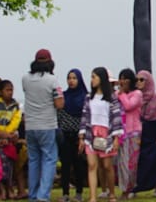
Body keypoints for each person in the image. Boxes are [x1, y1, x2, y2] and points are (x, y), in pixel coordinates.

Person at [23, 49, 65, 202]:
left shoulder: (25, 79)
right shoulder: (52, 80)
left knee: (34, 160)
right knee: (49, 159)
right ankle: (43, 196)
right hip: (47, 125)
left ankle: (32, 195)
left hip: (30, 126)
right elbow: (59, 104)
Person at [79, 68, 124, 202]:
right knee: (92, 165)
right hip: (91, 132)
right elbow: (84, 116)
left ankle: (111, 193)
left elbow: (116, 117)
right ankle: (93, 196)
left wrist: (116, 138)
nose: (91, 80)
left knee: (107, 166)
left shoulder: (112, 98)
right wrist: (81, 137)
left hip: (107, 132)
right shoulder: (88, 97)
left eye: (94, 77)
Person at [0, 78, 25, 200]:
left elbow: (15, 121)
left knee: (10, 163)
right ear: (1, 91)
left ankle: (9, 189)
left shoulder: (15, 106)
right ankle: (4, 190)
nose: (10, 92)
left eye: (12, 90)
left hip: (9, 140)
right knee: (1, 162)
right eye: (7, 90)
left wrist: (7, 134)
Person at [133, 70, 156, 197]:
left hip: (153, 135)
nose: (138, 82)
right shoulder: (136, 97)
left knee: (155, 162)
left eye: (142, 80)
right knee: (139, 162)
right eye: (137, 80)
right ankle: (136, 187)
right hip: (139, 134)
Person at [60, 69, 89, 202]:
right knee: (65, 165)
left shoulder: (85, 97)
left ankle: (79, 193)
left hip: (79, 137)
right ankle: (65, 193)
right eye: (69, 78)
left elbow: (87, 118)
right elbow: (59, 115)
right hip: (65, 135)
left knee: (78, 165)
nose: (71, 81)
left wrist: (83, 136)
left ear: (79, 80)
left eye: (74, 78)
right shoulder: (63, 96)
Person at [115, 69, 143, 198]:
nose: (122, 81)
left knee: (133, 163)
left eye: (125, 78)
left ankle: (132, 188)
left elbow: (128, 106)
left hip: (134, 133)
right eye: (121, 78)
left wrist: (122, 94)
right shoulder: (117, 94)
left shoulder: (137, 94)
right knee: (122, 163)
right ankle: (124, 189)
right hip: (121, 133)